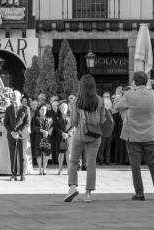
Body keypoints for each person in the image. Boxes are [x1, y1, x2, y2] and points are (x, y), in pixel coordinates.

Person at [114, 71, 154, 201]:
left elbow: (116, 107)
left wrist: (118, 95)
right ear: (146, 81)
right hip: (150, 134)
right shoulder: (153, 94)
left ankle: (139, 193)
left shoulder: (130, 94)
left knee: (135, 165)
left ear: (134, 81)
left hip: (133, 135)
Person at [64, 74, 106, 203]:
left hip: (80, 134)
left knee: (73, 161)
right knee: (91, 163)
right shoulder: (99, 100)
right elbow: (103, 120)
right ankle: (88, 193)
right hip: (95, 136)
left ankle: (72, 187)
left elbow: (73, 121)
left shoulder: (77, 102)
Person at [4, 90, 30, 181]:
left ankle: (22, 174)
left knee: (22, 156)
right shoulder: (8, 108)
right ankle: (13, 174)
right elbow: (5, 123)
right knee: (13, 155)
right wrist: (12, 132)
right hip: (11, 135)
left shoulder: (26, 108)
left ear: (20, 97)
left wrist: (18, 132)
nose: (14, 97)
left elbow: (27, 123)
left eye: (15, 96)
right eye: (12, 96)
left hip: (21, 135)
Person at [32, 103, 54, 175]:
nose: (43, 110)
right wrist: (42, 130)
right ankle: (39, 169)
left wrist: (48, 132)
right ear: (39, 110)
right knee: (38, 154)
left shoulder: (50, 118)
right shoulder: (35, 118)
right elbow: (33, 127)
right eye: (42, 109)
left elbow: (53, 126)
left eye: (45, 109)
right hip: (38, 137)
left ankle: (44, 169)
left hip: (47, 137)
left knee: (46, 154)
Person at [97, 92, 115, 165]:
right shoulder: (100, 110)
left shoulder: (111, 110)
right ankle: (101, 160)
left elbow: (113, 121)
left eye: (108, 97)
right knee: (101, 147)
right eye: (105, 97)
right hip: (102, 131)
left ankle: (107, 161)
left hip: (109, 132)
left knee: (108, 147)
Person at [56, 102, 73, 175]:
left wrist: (68, 134)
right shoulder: (57, 116)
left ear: (67, 109)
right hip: (61, 137)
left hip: (69, 137)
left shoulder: (71, 116)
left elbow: (74, 126)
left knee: (68, 153)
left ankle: (69, 170)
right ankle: (60, 169)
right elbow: (56, 127)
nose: (63, 109)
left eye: (64, 108)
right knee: (61, 154)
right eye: (61, 108)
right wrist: (62, 133)